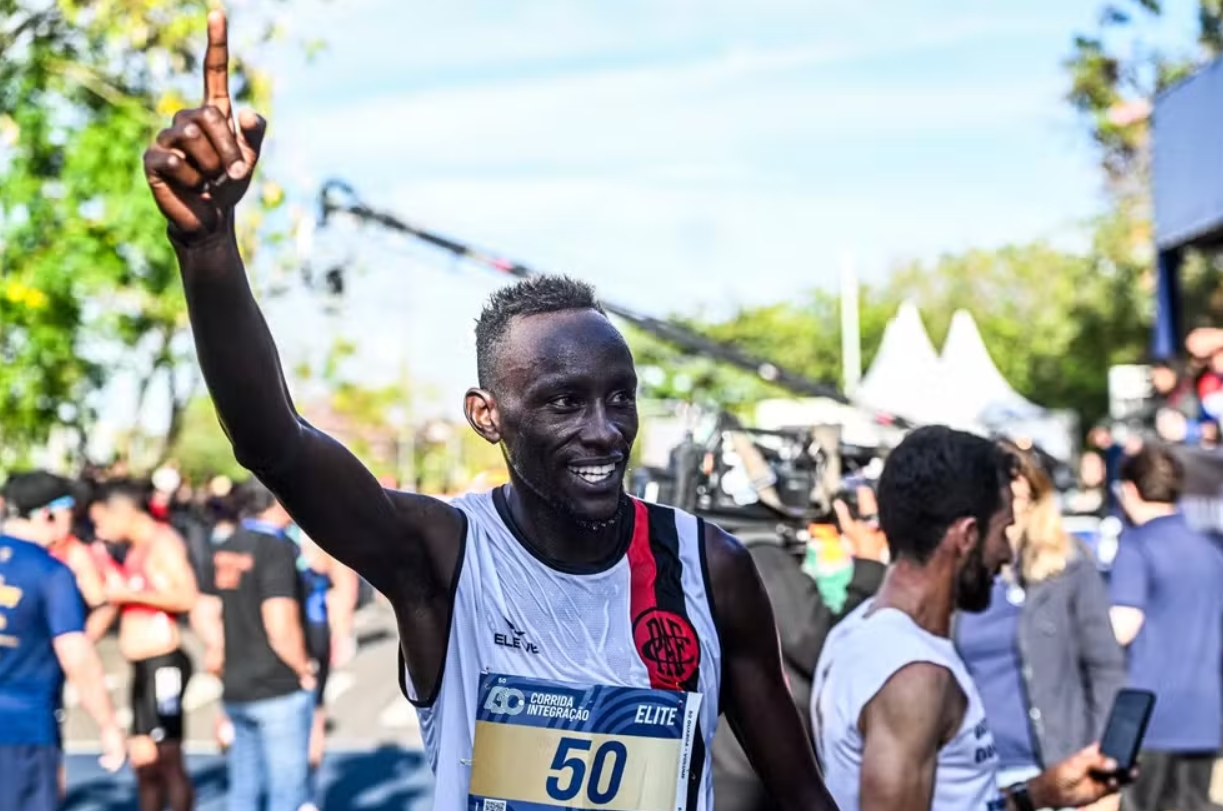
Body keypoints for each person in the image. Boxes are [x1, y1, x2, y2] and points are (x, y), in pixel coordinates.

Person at [141, 11, 838, 811]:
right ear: (487, 415)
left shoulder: (705, 568)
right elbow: (275, 443)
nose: (603, 430)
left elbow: (800, 794)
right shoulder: (442, 555)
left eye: (620, 397)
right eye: (562, 402)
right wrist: (209, 248)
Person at [812, 426, 1126, 811]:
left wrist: (1042, 793)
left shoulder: (857, 631)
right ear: (967, 535)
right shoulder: (913, 675)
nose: (1007, 555)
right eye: (1003, 530)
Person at [955, 444, 1126, 805]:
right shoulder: (959, 577)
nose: (1009, 513)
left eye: (1017, 499)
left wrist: (1101, 761)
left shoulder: (1068, 565)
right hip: (978, 770)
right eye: (997, 500)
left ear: (1036, 501)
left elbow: (1104, 665)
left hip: (1055, 763)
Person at [0, 472, 126, 811]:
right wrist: (108, 726)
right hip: (22, 731)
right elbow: (77, 657)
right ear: (47, 514)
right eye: (69, 509)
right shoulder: (50, 573)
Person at [1108, 444, 1223, 811]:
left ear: (1129, 490)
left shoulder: (1138, 546)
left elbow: (1122, 626)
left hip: (1147, 716)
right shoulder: (1212, 547)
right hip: (1205, 711)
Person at [196, 480, 316, 811]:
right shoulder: (274, 547)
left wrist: (220, 651)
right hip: (276, 684)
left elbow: (204, 612)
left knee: (243, 789)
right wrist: (303, 667)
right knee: (287, 793)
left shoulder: (225, 544)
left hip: (236, 683)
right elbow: (279, 623)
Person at [91, 480, 199, 811]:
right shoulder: (136, 549)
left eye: (102, 522)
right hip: (141, 667)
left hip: (164, 663)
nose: (100, 530)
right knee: (143, 763)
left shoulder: (162, 543)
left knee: (167, 760)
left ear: (122, 512)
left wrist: (131, 595)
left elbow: (186, 596)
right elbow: (114, 601)